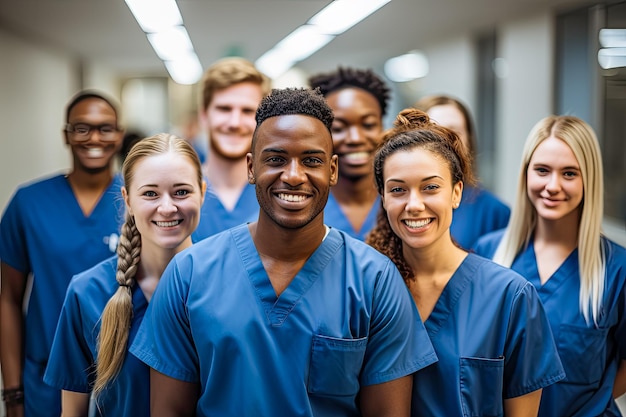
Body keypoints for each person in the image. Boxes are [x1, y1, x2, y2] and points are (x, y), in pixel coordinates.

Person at [130, 88, 437, 417]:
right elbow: (169, 410)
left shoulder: (375, 281)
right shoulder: (189, 274)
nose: (293, 176)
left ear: (332, 170)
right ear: (251, 167)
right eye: (276, 159)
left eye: (312, 161)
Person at [366, 108, 565, 416]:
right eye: (398, 190)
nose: (414, 204)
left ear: (456, 192)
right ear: (383, 197)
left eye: (431, 187)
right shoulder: (369, 291)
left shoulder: (508, 297)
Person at [473, 115, 626, 416]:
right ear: (526, 174)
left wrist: (591, 405)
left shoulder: (617, 269)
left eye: (569, 173)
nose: (552, 186)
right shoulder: (488, 254)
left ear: (588, 180)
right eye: (542, 170)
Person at [43, 134, 205, 416]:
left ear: (202, 192)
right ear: (127, 200)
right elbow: (72, 412)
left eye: (181, 192)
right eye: (150, 193)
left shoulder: (226, 284)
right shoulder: (88, 292)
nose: (167, 207)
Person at [0, 90, 126, 416]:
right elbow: (8, 299)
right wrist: (13, 394)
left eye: (105, 128)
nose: (94, 137)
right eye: (81, 128)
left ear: (119, 134)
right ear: (66, 135)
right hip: (45, 380)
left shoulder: (141, 200)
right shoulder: (29, 203)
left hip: (124, 374)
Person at [415, 94, 510, 249]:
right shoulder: (395, 203)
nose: (444, 140)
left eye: (454, 132)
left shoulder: (495, 212)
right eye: (434, 131)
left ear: (469, 141)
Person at [193, 56, 271, 241]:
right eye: (224, 109)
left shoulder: (276, 194)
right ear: (204, 115)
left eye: (247, 111)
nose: (235, 123)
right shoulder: (179, 194)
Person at [308, 67, 390, 240]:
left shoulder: (401, 201)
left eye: (368, 125)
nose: (355, 138)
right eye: (338, 128)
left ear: (383, 126)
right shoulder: (304, 205)